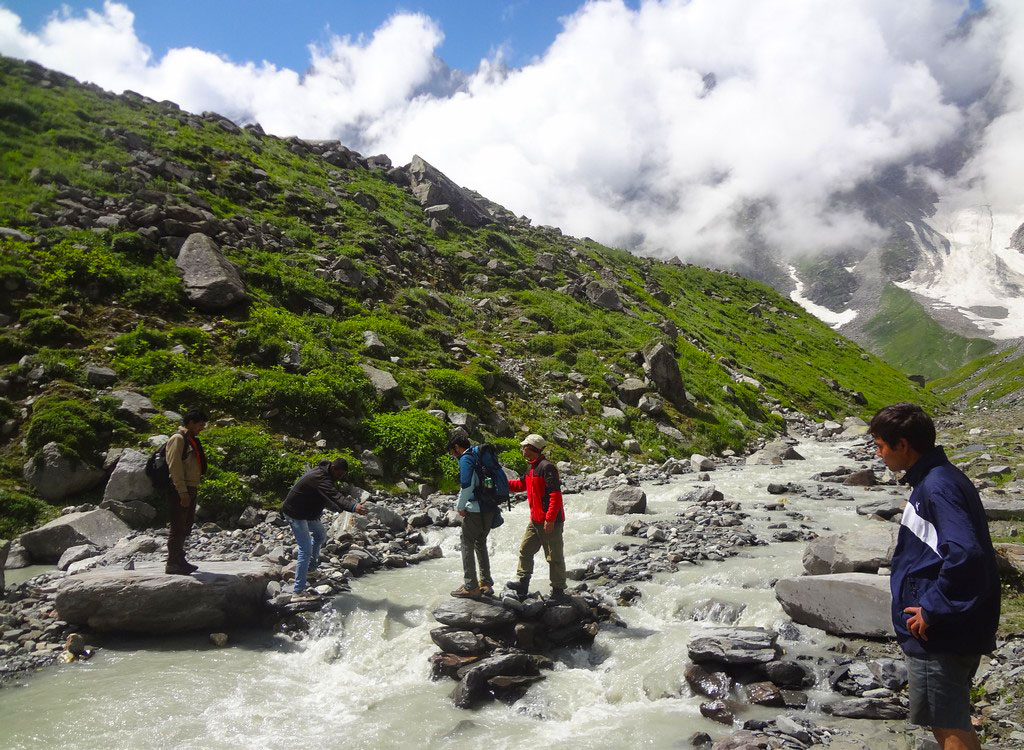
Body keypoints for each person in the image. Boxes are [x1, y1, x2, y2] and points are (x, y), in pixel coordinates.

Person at [869, 404, 1000, 750]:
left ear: (904, 445)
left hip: (941, 632)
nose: (878, 453)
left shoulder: (936, 487)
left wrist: (932, 608)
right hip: (951, 627)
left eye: (881, 445)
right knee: (948, 719)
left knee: (946, 723)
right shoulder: (938, 478)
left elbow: (966, 553)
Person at [281, 457, 367, 599]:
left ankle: (311, 570)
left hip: (306, 513)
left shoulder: (326, 474)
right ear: (333, 469)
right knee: (305, 548)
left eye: (342, 476)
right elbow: (334, 495)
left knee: (320, 534)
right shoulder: (320, 478)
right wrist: (353, 506)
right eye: (339, 475)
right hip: (294, 513)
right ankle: (298, 591)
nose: (340, 478)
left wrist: (339, 508)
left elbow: (327, 497)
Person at [506, 434, 567, 600]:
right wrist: (503, 484)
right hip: (536, 520)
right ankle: (523, 584)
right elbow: (521, 484)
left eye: (524, 446)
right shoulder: (532, 467)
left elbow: (555, 495)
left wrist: (550, 519)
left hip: (549, 521)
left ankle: (558, 591)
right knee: (525, 550)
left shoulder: (547, 468)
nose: (522, 449)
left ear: (531, 448)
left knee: (554, 557)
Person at [448, 434, 495, 599]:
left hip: (475, 510)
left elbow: (467, 485)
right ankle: (486, 583)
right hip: (490, 508)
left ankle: (471, 586)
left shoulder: (466, 459)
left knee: (466, 543)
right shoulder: (480, 457)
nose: (453, 455)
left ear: (456, 448)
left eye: (452, 451)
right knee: (480, 543)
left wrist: (460, 507)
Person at [164, 409, 208, 575]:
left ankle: (179, 559)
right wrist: (182, 492)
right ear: (190, 423)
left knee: (186, 525)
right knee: (178, 526)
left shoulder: (190, 440)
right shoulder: (178, 439)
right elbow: (174, 467)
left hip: (191, 487)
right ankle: (172, 562)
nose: (202, 428)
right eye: (200, 425)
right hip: (180, 489)